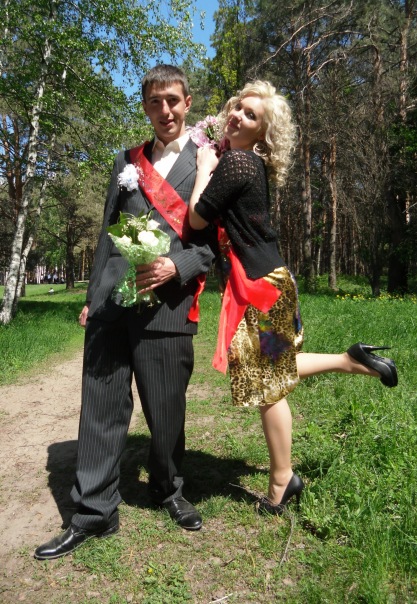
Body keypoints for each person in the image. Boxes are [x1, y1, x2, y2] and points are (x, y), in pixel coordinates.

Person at [188, 80, 398, 515]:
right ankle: (350, 360)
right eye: (238, 107)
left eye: (251, 115)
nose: (237, 115)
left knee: (267, 386)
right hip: (271, 280)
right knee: (274, 369)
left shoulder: (237, 162)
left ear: (263, 133)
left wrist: (205, 165)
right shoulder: (247, 163)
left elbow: (196, 217)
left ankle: (282, 481)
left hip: (260, 288)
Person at [34, 65, 216, 560]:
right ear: (145, 106)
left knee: (166, 410)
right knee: (100, 406)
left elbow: (213, 245)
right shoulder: (126, 161)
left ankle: (167, 488)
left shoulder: (208, 162)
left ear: (188, 102)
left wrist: (176, 265)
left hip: (168, 305)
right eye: (155, 102)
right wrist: (91, 297)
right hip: (113, 303)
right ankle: (94, 512)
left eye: (173, 100)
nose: (165, 110)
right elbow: (106, 234)